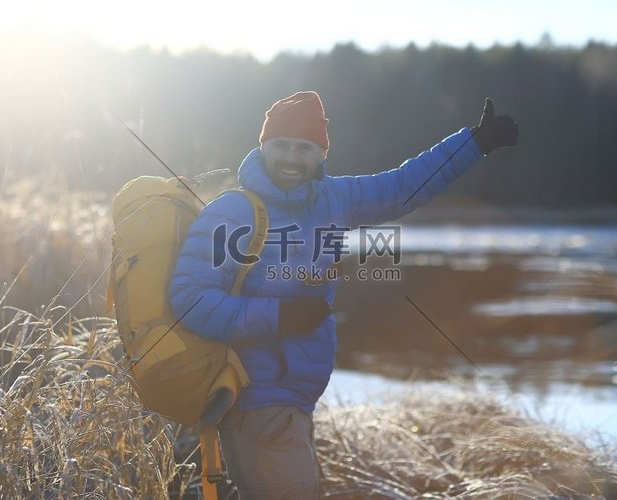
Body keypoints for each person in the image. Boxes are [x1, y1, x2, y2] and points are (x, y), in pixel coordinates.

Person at [169, 91, 517, 498]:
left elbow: (401, 186)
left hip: (294, 398)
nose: (290, 158)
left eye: (304, 148)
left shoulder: (331, 199)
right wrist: (277, 316)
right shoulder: (233, 213)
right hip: (256, 399)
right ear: (262, 147)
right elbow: (189, 299)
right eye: (280, 145)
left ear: (321, 154)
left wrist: (473, 144)